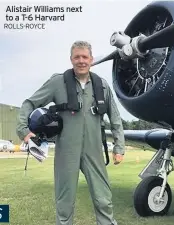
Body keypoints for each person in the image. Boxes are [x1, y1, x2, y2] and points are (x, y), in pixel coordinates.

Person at [16, 40, 125, 225]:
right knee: (64, 202)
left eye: (84, 57)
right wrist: (23, 130)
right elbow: (29, 103)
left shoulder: (103, 86)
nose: (81, 61)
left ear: (91, 59)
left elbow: (115, 118)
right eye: (77, 57)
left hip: (94, 151)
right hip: (67, 151)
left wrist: (119, 147)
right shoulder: (57, 82)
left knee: (103, 199)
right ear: (71, 60)